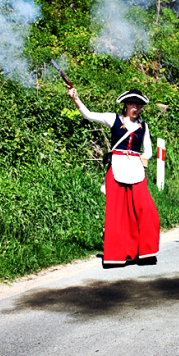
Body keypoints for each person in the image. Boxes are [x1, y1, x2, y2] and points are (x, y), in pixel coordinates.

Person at [67, 87, 160, 266]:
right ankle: (117, 255)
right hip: (116, 168)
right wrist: (76, 98)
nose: (137, 109)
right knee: (117, 212)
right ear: (126, 104)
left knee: (146, 210)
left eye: (140, 106)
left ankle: (145, 253)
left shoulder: (144, 126)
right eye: (134, 105)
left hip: (135, 170)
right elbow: (88, 114)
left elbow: (147, 151)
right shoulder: (113, 118)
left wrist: (138, 161)